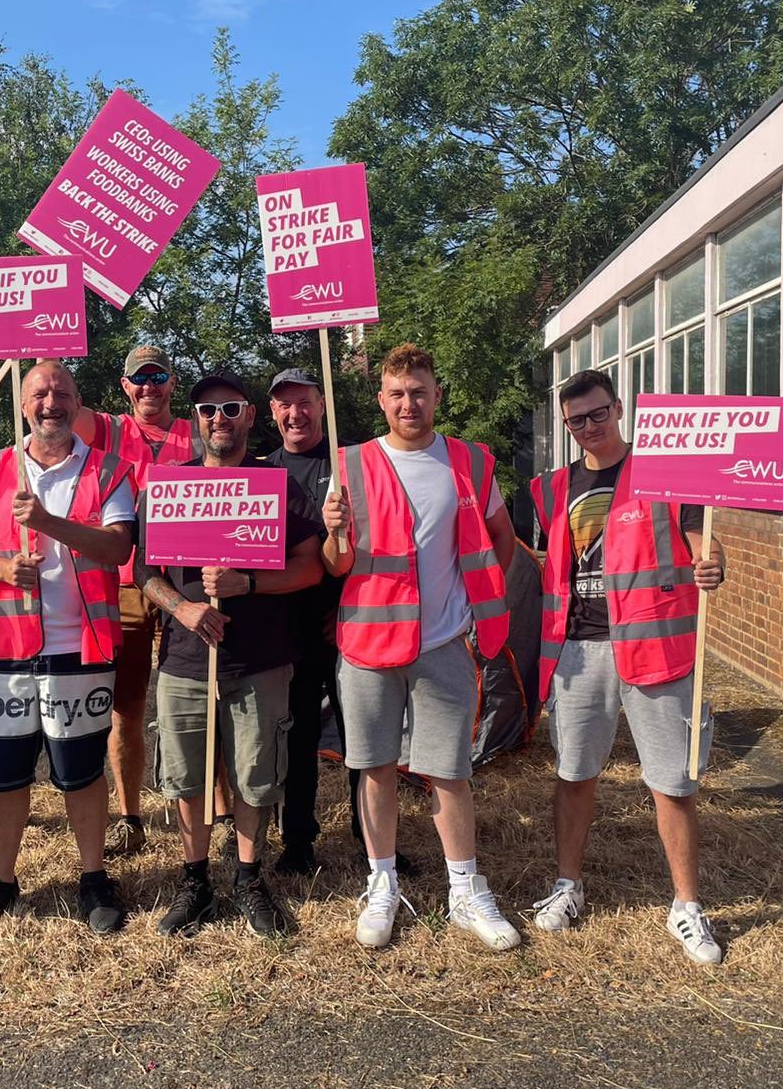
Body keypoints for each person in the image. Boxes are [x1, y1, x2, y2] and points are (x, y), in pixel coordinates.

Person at [322, 343, 520, 951]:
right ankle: (381, 883)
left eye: (419, 391)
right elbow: (336, 567)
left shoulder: (471, 462)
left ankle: (465, 889)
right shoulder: (348, 464)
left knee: (449, 771)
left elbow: (502, 543)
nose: (409, 403)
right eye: (397, 393)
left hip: (442, 645)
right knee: (375, 768)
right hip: (367, 644)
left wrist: (471, 607)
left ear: (436, 395)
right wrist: (333, 534)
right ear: (380, 400)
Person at [528, 368, 727, 964]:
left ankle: (687, 905)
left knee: (672, 782)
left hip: (654, 647)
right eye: (576, 421)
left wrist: (711, 562)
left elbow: (701, 539)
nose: (589, 427)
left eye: (598, 414)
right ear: (566, 425)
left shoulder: (666, 471)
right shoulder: (552, 487)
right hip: (578, 649)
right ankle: (569, 886)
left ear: (618, 409)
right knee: (575, 772)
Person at [0, 360, 137, 938]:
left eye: (61, 392)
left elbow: (117, 546)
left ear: (79, 403)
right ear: (23, 404)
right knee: (3, 777)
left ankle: (93, 875)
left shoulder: (110, 469)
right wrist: (0, 566)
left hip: (77, 649)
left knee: (80, 772)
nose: (50, 402)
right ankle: (3, 880)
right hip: (2, 650)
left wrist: (50, 523)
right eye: (39, 393)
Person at [134, 369, 323, 937]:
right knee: (186, 778)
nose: (220, 419)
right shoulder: (169, 485)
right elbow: (144, 570)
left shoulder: (277, 485)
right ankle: (195, 880)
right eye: (209, 410)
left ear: (250, 417)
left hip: (260, 661)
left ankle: (247, 877)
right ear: (195, 419)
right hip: (185, 662)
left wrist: (251, 585)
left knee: (255, 777)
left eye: (232, 409)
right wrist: (182, 608)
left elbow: (311, 566)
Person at [263, 367, 411, 877]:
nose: (294, 413)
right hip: (290, 631)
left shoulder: (357, 462)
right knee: (298, 739)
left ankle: (371, 836)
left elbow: (378, 539)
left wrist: (344, 609)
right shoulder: (262, 473)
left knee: (367, 740)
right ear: (273, 413)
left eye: (304, 402)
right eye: (284, 404)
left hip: (354, 626)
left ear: (321, 405)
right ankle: (298, 840)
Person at [73, 347, 206, 858]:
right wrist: (39, 325)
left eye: (159, 376)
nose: (149, 386)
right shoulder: (107, 429)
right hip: (126, 585)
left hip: (186, 585)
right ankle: (130, 815)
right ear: (125, 386)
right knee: (126, 708)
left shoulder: (196, 431)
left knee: (203, 697)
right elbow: (51, 396)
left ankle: (217, 808)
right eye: (139, 378)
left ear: (173, 382)